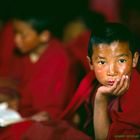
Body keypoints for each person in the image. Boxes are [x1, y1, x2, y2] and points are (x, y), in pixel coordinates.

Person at [0, 15, 85, 140]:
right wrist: (11, 99)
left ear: (44, 36)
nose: (16, 40)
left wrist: (32, 117)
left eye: (23, 35)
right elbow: (13, 83)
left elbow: (55, 110)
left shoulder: (61, 60)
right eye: (15, 34)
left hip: (46, 124)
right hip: (17, 115)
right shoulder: (23, 54)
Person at [87, 22, 140, 139]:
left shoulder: (137, 93)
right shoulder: (90, 84)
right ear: (90, 63)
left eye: (121, 61)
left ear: (134, 59)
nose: (112, 71)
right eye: (102, 62)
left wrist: (101, 99)